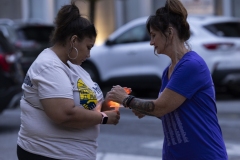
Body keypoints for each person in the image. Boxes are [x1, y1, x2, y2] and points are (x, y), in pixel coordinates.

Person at [107, 0, 228, 159]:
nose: (151, 42)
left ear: (170, 33)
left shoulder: (191, 65)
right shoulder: (168, 71)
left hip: (203, 154)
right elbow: (169, 109)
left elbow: (160, 107)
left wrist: (126, 99)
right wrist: (143, 107)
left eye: (154, 35)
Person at [16, 1, 120, 160]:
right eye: (88, 47)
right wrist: (104, 117)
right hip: (48, 154)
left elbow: (85, 105)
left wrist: (108, 103)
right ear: (73, 41)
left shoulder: (71, 65)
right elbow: (65, 114)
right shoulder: (49, 66)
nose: (89, 54)